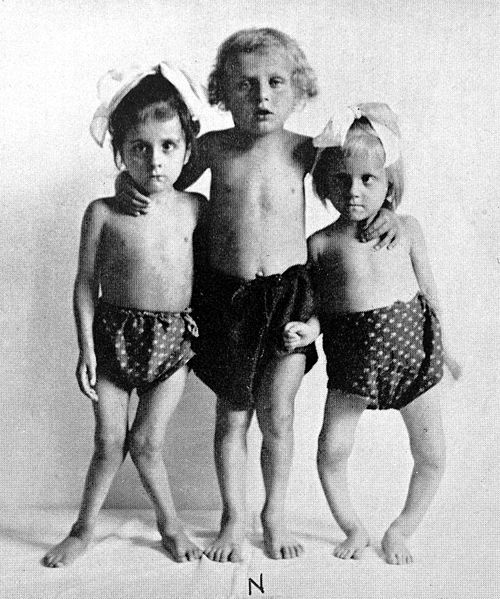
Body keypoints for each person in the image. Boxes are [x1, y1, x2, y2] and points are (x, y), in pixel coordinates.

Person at [117, 29, 400, 562]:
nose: (262, 96)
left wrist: (386, 208)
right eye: (245, 85)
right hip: (227, 298)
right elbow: (161, 176)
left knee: (280, 413)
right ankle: (233, 518)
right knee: (232, 415)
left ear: (300, 89)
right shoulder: (212, 148)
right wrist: (123, 185)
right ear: (223, 92)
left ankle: (275, 513)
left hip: (292, 297)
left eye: (275, 83)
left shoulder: (307, 151)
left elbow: (361, 175)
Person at [43, 63, 207, 567]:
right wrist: (86, 348)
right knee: (109, 442)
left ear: (185, 148)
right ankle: (82, 529)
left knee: (146, 442)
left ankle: (170, 525)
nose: (155, 161)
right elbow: (83, 284)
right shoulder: (103, 211)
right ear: (120, 153)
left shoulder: (195, 207)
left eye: (167, 146)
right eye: (139, 149)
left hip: (173, 343)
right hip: (112, 336)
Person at [283, 103, 461, 565]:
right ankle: (353, 527)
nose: (354, 192)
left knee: (433, 456)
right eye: (342, 179)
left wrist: (447, 349)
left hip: (413, 359)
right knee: (331, 451)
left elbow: (429, 289)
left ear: (390, 184)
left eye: (368, 179)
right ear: (325, 182)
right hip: (352, 367)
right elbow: (323, 305)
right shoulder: (320, 244)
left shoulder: (407, 229)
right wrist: (308, 330)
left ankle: (401, 530)